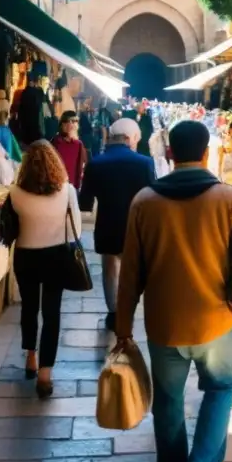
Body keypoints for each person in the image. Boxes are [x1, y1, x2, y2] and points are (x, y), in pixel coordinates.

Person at [115, 120, 232, 462]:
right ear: (205, 154)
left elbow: (130, 274)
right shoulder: (229, 199)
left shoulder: (145, 201)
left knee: (166, 403)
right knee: (220, 389)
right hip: (216, 321)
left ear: (169, 153)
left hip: (164, 325)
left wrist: (123, 326)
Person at [9, 140, 81, 399]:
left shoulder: (15, 192)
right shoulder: (67, 190)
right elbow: (78, 230)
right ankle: (45, 374)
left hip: (25, 256)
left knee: (29, 307)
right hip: (56, 256)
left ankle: (30, 356)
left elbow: (8, 227)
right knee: (52, 315)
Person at [80, 118, 155, 333]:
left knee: (110, 270)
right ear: (130, 138)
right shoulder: (144, 163)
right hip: (136, 227)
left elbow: (85, 203)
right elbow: (154, 197)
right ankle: (128, 310)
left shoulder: (96, 163)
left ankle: (113, 312)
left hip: (107, 227)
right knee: (132, 271)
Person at [52, 110, 88, 190]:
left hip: (73, 187)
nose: (70, 124)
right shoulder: (55, 142)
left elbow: (81, 168)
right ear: (61, 124)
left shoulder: (78, 144)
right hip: (57, 186)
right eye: (66, 121)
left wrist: (78, 187)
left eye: (73, 121)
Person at [18, 69, 52, 146]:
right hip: (37, 125)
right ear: (35, 81)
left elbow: (20, 109)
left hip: (25, 125)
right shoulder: (39, 92)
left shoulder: (23, 92)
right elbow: (44, 108)